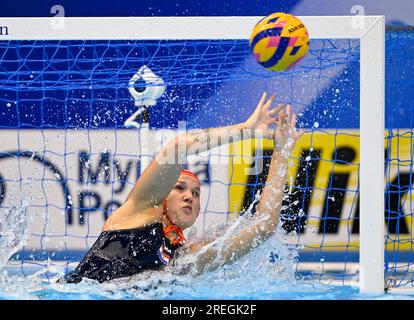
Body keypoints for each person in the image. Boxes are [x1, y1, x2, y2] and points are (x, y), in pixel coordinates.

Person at [62, 92, 303, 283]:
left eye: (196, 194)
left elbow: (265, 226)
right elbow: (179, 148)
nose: (189, 196)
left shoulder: (185, 259)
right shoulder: (138, 211)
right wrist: (247, 129)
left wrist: (282, 151)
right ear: (162, 196)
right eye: (180, 188)